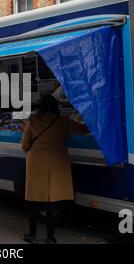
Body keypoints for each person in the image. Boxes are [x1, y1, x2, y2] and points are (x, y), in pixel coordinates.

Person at [21, 94, 88, 244]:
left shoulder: (32, 121)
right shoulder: (63, 121)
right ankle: (51, 238)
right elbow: (83, 129)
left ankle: (32, 235)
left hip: (36, 165)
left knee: (32, 202)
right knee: (53, 204)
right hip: (57, 165)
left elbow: (24, 145)